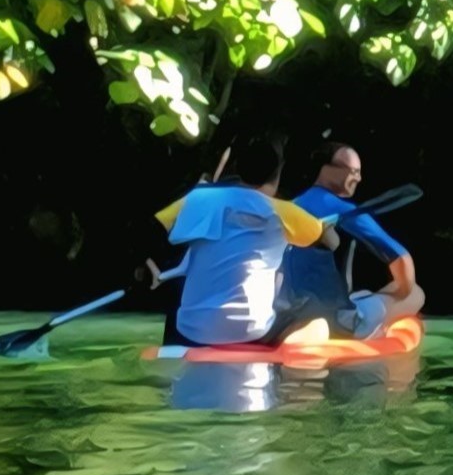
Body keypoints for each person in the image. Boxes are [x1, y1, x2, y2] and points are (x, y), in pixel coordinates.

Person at [141, 141, 337, 347]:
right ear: (277, 176)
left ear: (239, 170)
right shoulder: (284, 211)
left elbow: (149, 230)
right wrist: (322, 226)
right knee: (318, 320)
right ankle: (283, 346)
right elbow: (332, 243)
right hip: (251, 331)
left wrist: (148, 266)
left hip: (190, 330)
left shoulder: (196, 198)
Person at [282, 140, 425, 337]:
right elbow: (401, 258)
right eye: (353, 171)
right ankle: (376, 327)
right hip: (339, 323)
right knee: (415, 293)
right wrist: (400, 294)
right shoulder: (343, 210)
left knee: (361, 295)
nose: (359, 178)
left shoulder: (291, 206)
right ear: (325, 169)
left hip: (290, 316)